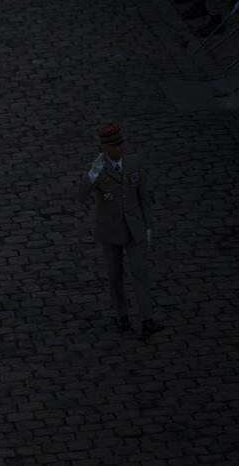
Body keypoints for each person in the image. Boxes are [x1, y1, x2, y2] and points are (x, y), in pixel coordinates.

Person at [78, 124, 164, 337]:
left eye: (122, 143)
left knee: (140, 274)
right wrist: (91, 175)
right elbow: (81, 196)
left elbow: (144, 198)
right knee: (115, 275)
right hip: (110, 230)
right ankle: (122, 315)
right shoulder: (97, 169)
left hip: (135, 229)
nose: (121, 148)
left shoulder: (134, 163)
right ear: (105, 148)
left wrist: (148, 226)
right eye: (116, 145)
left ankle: (147, 319)